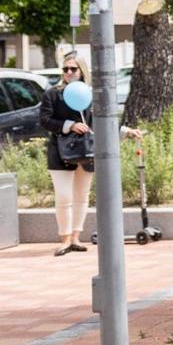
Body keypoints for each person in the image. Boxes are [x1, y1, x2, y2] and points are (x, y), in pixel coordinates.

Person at [42, 53, 142, 256]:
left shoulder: (91, 94)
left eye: (73, 69)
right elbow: (44, 120)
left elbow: (102, 121)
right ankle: (65, 238)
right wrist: (69, 125)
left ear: (82, 71)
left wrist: (125, 131)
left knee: (81, 196)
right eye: (65, 69)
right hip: (61, 153)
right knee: (64, 196)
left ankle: (77, 237)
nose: (69, 72)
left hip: (87, 150)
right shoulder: (53, 94)